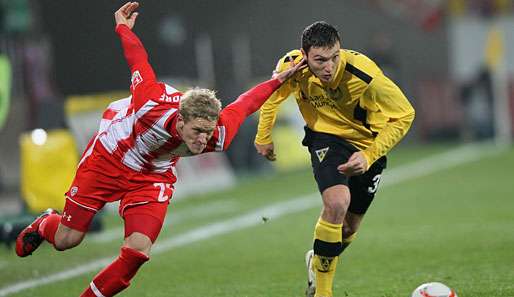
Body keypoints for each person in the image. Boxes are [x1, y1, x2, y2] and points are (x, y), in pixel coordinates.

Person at [15, 2, 305, 296]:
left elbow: (244, 105)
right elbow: (138, 61)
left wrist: (277, 81)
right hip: (109, 159)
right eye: (197, 131)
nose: (203, 139)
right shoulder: (150, 106)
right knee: (67, 239)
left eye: (207, 131)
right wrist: (123, 28)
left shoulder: (218, 133)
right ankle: (44, 224)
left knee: (137, 253)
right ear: (180, 120)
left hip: (153, 175)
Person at [254, 21, 415, 297]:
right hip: (325, 138)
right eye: (320, 60)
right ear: (305, 56)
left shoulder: (364, 73)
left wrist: (369, 155)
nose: (329, 66)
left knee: (349, 228)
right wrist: (263, 136)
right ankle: (323, 292)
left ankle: (316, 260)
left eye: (334, 57)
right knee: (337, 202)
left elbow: (404, 114)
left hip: (367, 145)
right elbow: (272, 95)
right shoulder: (292, 67)